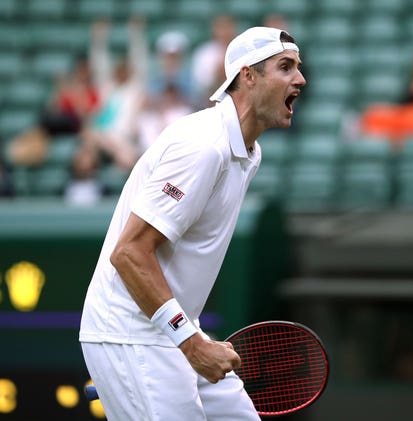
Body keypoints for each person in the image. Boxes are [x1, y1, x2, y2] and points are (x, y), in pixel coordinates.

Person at [79, 27, 305, 420]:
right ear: (247, 76)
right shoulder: (203, 146)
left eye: (298, 68)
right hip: (131, 333)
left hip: (173, 329)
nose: (300, 79)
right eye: (285, 67)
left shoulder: (250, 154)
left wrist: (190, 337)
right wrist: (191, 343)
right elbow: (129, 253)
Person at [6, 55, 100, 167]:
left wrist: (70, 91)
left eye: (85, 70)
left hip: (75, 125)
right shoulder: (69, 89)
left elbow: (85, 115)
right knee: (45, 118)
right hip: (57, 124)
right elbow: (53, 108)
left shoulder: (92, 92)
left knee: (59, 120)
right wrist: (60, 90)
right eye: (80, 70)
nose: (82, 74)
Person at [83, 18, 148, 170]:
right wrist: (99, 39)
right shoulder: (107, 88)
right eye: (118, 70)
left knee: (126, 155)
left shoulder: (134, 89)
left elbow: (140, 61)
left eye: (124, 69)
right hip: (103, 136)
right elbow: (99, 64)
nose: (121, 73)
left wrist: (136, 35)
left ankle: (124, 161)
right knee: (91, 137)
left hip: (122, 137)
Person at [191, 15, 237, 108]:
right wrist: (217, 75)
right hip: (209, 103)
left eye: (228, 27)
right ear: (214, 30)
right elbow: (200, 87)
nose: (224, 32)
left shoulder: (242, 51)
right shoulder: (204, 54)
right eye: (221, 28)